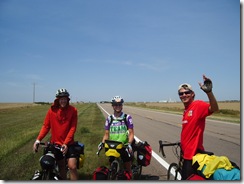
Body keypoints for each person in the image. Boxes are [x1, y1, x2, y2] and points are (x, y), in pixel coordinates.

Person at [178, 75, 219, 180]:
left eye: (187, 92)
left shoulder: (197, 105)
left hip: (192, 155)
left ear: (192, 94)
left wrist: (209, 92)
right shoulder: (186, 110)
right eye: (181, 93)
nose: (184, 95)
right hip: (186, 152)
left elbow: (214, 108)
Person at [33, 88, 78, 180]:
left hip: (69, 143)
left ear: (68, 99)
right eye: (61, 98)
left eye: (65, 98)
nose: (63, 101)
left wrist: (66, 143)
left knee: (72, 166)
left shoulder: (73, 110)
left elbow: (72, 128)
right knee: (61, 166)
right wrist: (38, 140)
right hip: (56, 144)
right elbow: (46, 126)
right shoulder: (51, 111)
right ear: (57, 99)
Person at [98, 96, 135, 179]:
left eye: (119, 104)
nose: (117, 106)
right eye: (115, 104)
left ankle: (130, 178)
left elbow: (131, 133)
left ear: (122, 106)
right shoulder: (109, 118)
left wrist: (129, 144)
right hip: (113, 146)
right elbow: (106, 134)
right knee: (112, 169)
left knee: (128, 168)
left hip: (124, 145)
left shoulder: (127, 117)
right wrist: (102, 142)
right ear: (113, 106)